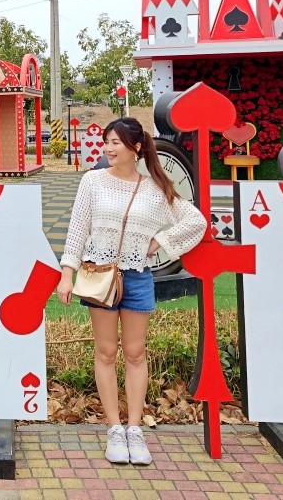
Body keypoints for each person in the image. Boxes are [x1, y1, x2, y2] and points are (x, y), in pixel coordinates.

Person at [56, 117, 206, 466]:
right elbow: (77, 229)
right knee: (106, 352)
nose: (108, 148)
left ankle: (135, 429)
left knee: (136, 353)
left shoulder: (155, 188)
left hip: (137, 277)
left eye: (115, 143)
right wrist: (67, 274)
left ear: (136, 148)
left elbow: (195, 220)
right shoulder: (92, 181)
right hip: (99, 275)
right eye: (106, 142)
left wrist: (162, 240)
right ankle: (113, 429)